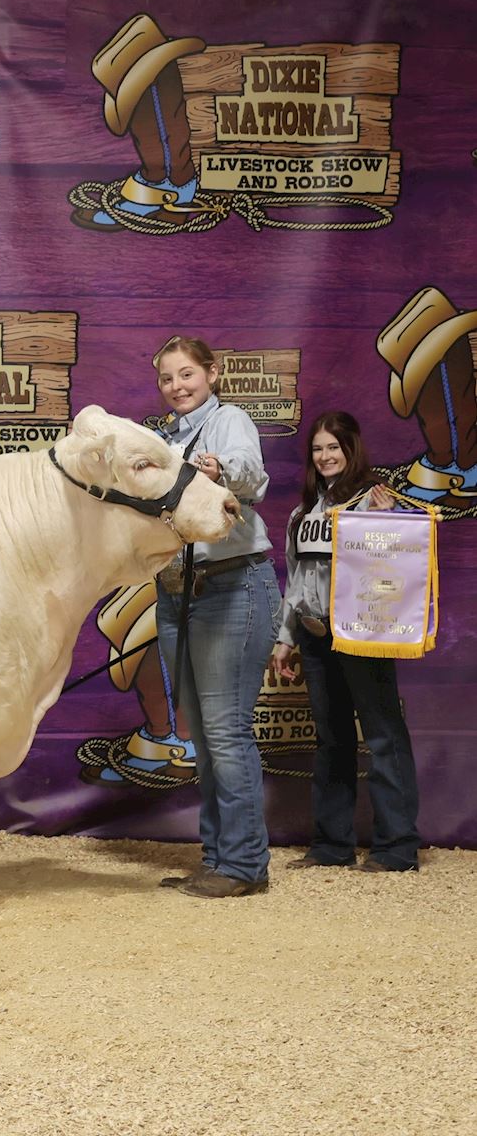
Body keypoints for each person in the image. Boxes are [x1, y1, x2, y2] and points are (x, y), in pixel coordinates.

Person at [151, 336, 281, 899]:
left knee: (226, 733)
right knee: (203, 735)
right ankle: (217, 858)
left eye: (186, 375)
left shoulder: (229, 420)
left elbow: (252, 476)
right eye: (166, 379)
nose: (177, 387)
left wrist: (219, 468)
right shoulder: (160, 440)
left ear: (211, 373)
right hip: (177, 592)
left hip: (231, 586)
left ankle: (246, 865)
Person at [271, 412, 420, 872]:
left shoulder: (374, 501)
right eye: (317, 448)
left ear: (351, 449)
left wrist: (387, 522)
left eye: (333, 447)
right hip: (316, 636)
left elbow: (402, 557)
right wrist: (284, 639)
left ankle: (396, 847)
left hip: (362, 634)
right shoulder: (302, 514)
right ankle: (331, 845)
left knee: (381, 736)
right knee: (331, 739)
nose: (325, 456)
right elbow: (297, 581)